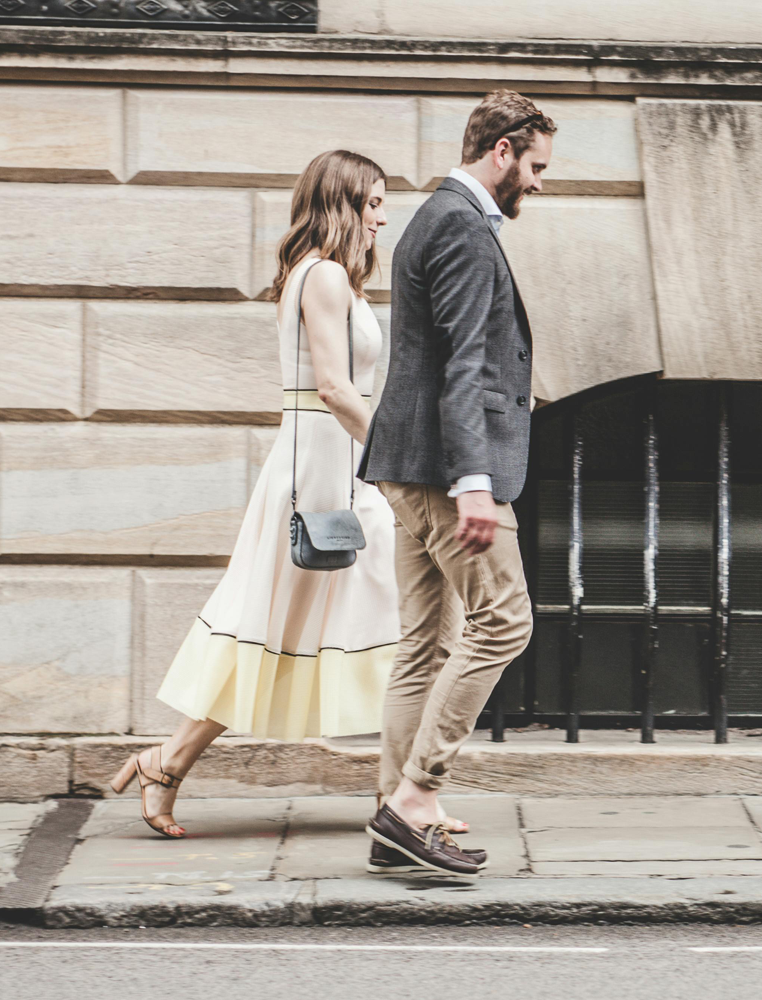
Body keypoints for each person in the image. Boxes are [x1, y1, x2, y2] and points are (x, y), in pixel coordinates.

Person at [108, 150, 400, 839]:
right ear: (343, 203)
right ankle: (409, 796)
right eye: (374, 203)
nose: (384, 217)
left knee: (340, 625)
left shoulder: (323, 276)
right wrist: (395, 457)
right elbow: (332, 387)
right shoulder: (324, 276)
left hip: (333, 469)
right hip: (325, 475)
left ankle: (408, 792)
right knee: (284, 629)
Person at [357, 90, 556, 877]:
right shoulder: (464, 230)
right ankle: (414, 797)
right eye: (535, 166)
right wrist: (475, 481)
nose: (538, 183)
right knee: (505, 623)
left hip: (405, 464)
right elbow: (465, 364)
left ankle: (394, 815)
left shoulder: (433, 218)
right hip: (446, 470)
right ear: (501, 150)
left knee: (425, 644)